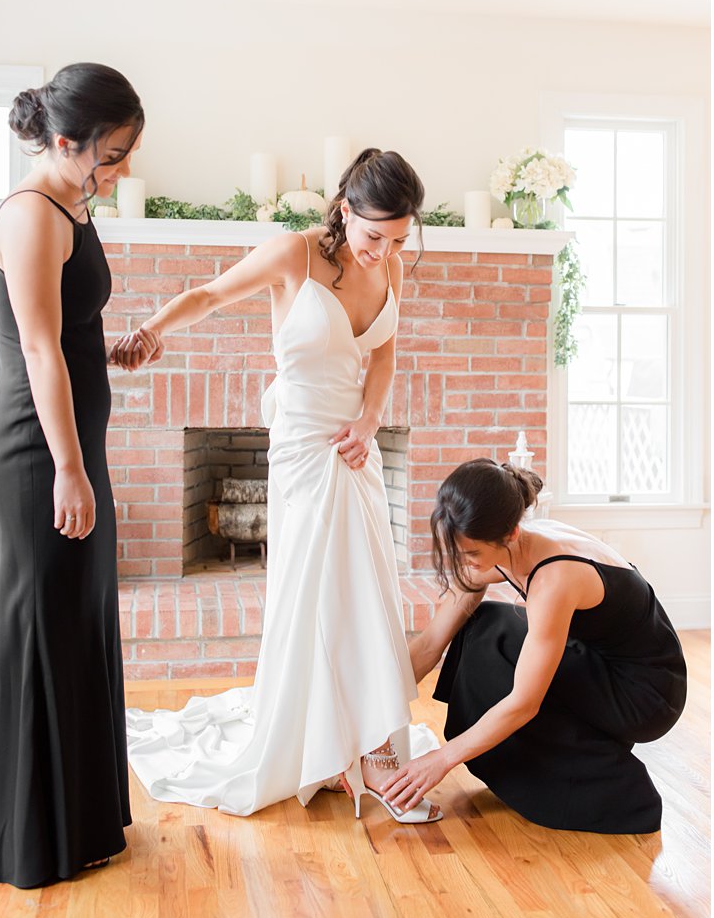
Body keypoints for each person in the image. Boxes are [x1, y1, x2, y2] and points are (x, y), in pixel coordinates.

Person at [118, 148, 443, 822]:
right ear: (345, 210)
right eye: (374, 235)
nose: (385, 252)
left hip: (356, 445)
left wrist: (372, 418)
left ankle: (371, 749)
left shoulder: (389, 267)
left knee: (365, 588)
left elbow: (383, 351)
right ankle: (316, 744)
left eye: (400, 239)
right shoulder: (292, 256)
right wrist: (152, 329)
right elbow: (211, 293)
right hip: (301, 447)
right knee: (313, 590)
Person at [0, 63, 142, 888]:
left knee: (76, 623)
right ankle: (24, 837)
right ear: (66, 142)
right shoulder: (32, 215)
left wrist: (107, 349)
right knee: (41, 627)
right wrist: (70, 468)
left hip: (69, 447)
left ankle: (78, 822)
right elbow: (33, 348)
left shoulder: (72, 200)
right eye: (112, 154)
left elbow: (62, 335)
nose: (121, 169)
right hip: (37, 455)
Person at [385, 458, 687, 833]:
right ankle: (569, 743)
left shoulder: (555, 577)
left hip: (646, 693)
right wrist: (367, 724)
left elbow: (523, 703)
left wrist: (441, 760)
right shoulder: (506, 545)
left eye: (472, 554)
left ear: (509, 534)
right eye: (457, 552)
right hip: (601, 661)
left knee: (492, 646)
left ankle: (606, 781)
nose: (465, 563)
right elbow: (432, 641)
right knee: (483, 627)